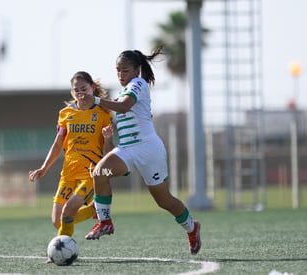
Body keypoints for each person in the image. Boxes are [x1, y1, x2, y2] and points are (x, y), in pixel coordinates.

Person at [82, 48, 201, 255]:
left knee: (164, 201)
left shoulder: (138, 84)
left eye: (125, 70)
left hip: (149, 150)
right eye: (118, 70)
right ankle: (105, 222)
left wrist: (97, 101)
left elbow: (125, 107)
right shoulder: (122, 91)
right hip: (127, 149)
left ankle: (192, 227)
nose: (120, 75)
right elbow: (119, 108)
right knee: (100, 173)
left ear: (137, 70)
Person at [29, 71, 114, 241]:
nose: (80, 93)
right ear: (72, 92)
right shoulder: (65, 114)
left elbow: (109, 150)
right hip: (68, 173)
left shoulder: (103, 114)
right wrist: (44, 167)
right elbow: (58, 143)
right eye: (76, 90)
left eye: (84, 89)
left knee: (69, 209)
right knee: (57, 221)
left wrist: (108, 138)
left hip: (90, 173)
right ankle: (94, 209)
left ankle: (60, 249)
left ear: (92, 87)